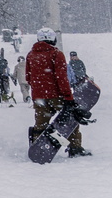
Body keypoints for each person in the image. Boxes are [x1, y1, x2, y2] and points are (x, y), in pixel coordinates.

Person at [26, 28, 90, 157]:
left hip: (39, 97)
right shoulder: (56, 54)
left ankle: (38, 147)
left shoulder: (31, 55)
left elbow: (28, 77)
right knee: (70, 121)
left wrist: (39, 89)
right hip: (57, 96)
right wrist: (68, 97)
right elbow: (62, 78)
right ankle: (75, 148)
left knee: (41, 123)